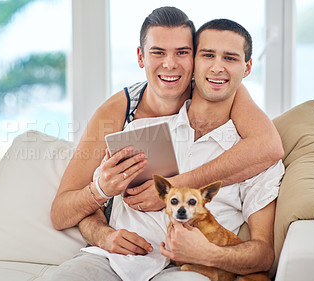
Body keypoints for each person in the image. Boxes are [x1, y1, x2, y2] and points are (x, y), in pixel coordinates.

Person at [50, 7, 284, 281]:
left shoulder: (251, 150)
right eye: (158, 52)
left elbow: (270, 146)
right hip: (117, 262)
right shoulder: (133, 127)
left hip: (191, 271)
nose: (171, 64)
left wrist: (206, 251)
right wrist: (102, 220)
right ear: (141, 57)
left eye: (182, 52)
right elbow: (68, 208)